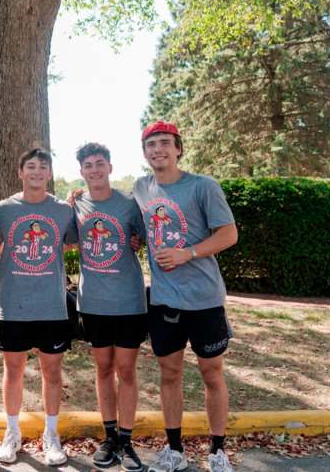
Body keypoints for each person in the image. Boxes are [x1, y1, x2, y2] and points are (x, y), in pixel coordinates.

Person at [133, 121, 238, 472]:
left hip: (204, 298)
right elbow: (139, 225)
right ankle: (174, 450)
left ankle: (217, 451)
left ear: (178, 148)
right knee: (169, 374)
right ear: (144, 152)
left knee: (212, 373)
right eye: (151, 145)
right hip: (164, 300)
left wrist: (188, 253)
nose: (157, 150)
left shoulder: (203, 186)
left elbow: (228, 234)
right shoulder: (141, 188)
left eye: (164, 143)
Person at [0, 148, 77, 466]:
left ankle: (52, 436)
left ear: (49, 174)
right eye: (30, 166)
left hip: (51, 305)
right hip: (13, 306)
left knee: (51, 371)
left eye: (43, 167)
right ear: (21, 172)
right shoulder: (4, 209)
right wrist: (8, 257)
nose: (36, 171)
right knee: (13, 371)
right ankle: (12, 434)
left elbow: (77, 241)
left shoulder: (63, 210)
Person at [72, 142, 148, 471]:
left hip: (129, 301)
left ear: (110, 167)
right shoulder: (74, 204)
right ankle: (110, 436)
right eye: (88, 165)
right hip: (93, 303)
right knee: (103, 369)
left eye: (99, 163)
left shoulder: (130, 205)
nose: (94, 169)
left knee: (126, 370)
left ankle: (127, 441)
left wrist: (139, 240)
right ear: (81, 172)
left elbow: (146, 237)